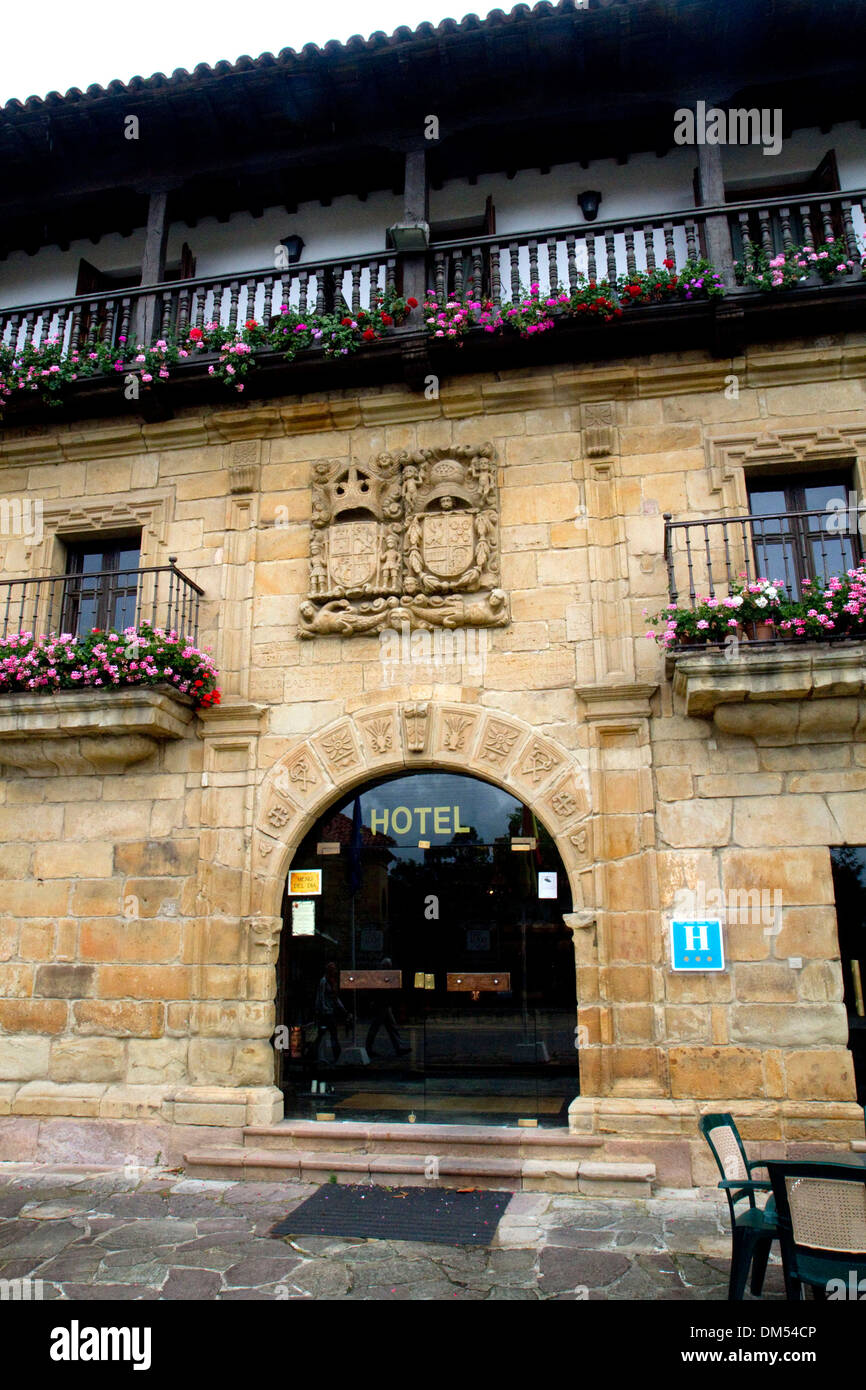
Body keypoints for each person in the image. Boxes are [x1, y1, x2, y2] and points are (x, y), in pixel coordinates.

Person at [365, 958, 410, 1058]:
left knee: (388, 1027)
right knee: (381, 1027)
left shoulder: (381, 975)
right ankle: (398, 1048)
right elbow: (378, 991)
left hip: (383, 1005)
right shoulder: (381, 975)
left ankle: (398, 1048)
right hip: (381, 1005)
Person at [314, 961, 349, 1064]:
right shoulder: (324, 981)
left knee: (328, 1034)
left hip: (330, 1011)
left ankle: (334, 1055)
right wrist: (322, 1009)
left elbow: (335, 998)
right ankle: (325, 1055)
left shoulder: (332, 982)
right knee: (326, 1034)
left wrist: (342, 1009)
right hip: (325, 1012)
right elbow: (321, 997)